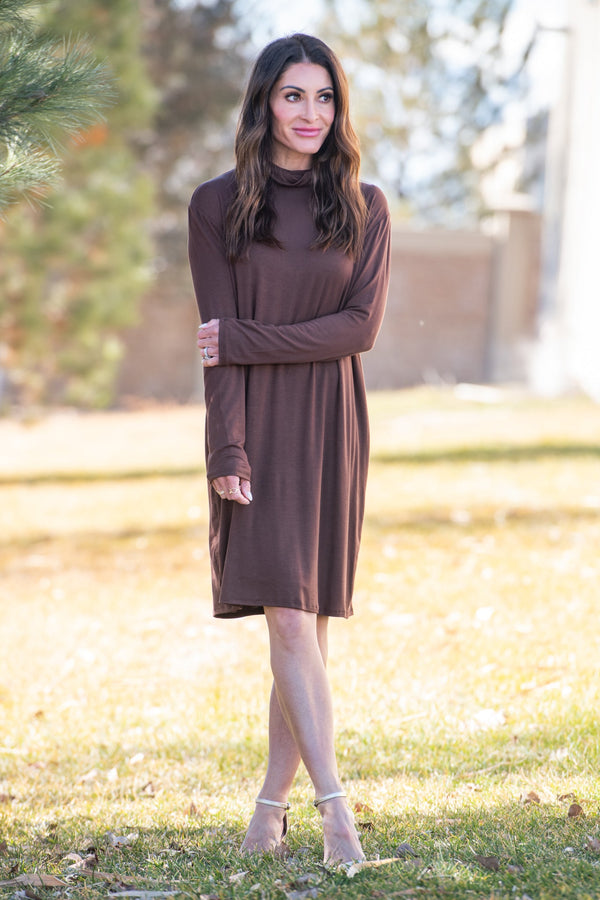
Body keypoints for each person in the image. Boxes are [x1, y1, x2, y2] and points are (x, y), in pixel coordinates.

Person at [188, 33, 390, 867]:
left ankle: (269, 808)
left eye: (325, 97)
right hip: (255, 429)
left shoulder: (365, 204)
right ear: (264, 102)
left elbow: (360, 330)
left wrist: (241, 334)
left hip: (332, 420)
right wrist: (226, 450)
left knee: (303, 626)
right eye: (293, 96)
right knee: (286, 618)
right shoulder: (218, 203)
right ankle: (336, 811)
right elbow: (215, 350)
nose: (311, 114)